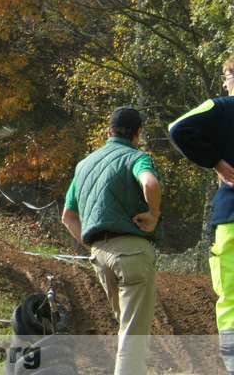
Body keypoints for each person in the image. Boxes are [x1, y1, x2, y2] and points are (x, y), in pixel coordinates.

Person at [62, 106, 162, 375]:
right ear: (138, 133)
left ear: (109, 131)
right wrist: (153, 215)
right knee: (133, 335)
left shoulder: (84, 165)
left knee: (126, 327)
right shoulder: (136, 157)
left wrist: (93, 245)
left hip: (100, 256)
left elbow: (67, 217)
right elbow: (150, 184)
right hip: (131, 253)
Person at [169, 55, 234, 375]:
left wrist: (217, 162)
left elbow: (178, 128)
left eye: (226, 76)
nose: (224, 83)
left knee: (231, 298)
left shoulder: (221, 107)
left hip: (231, 218)